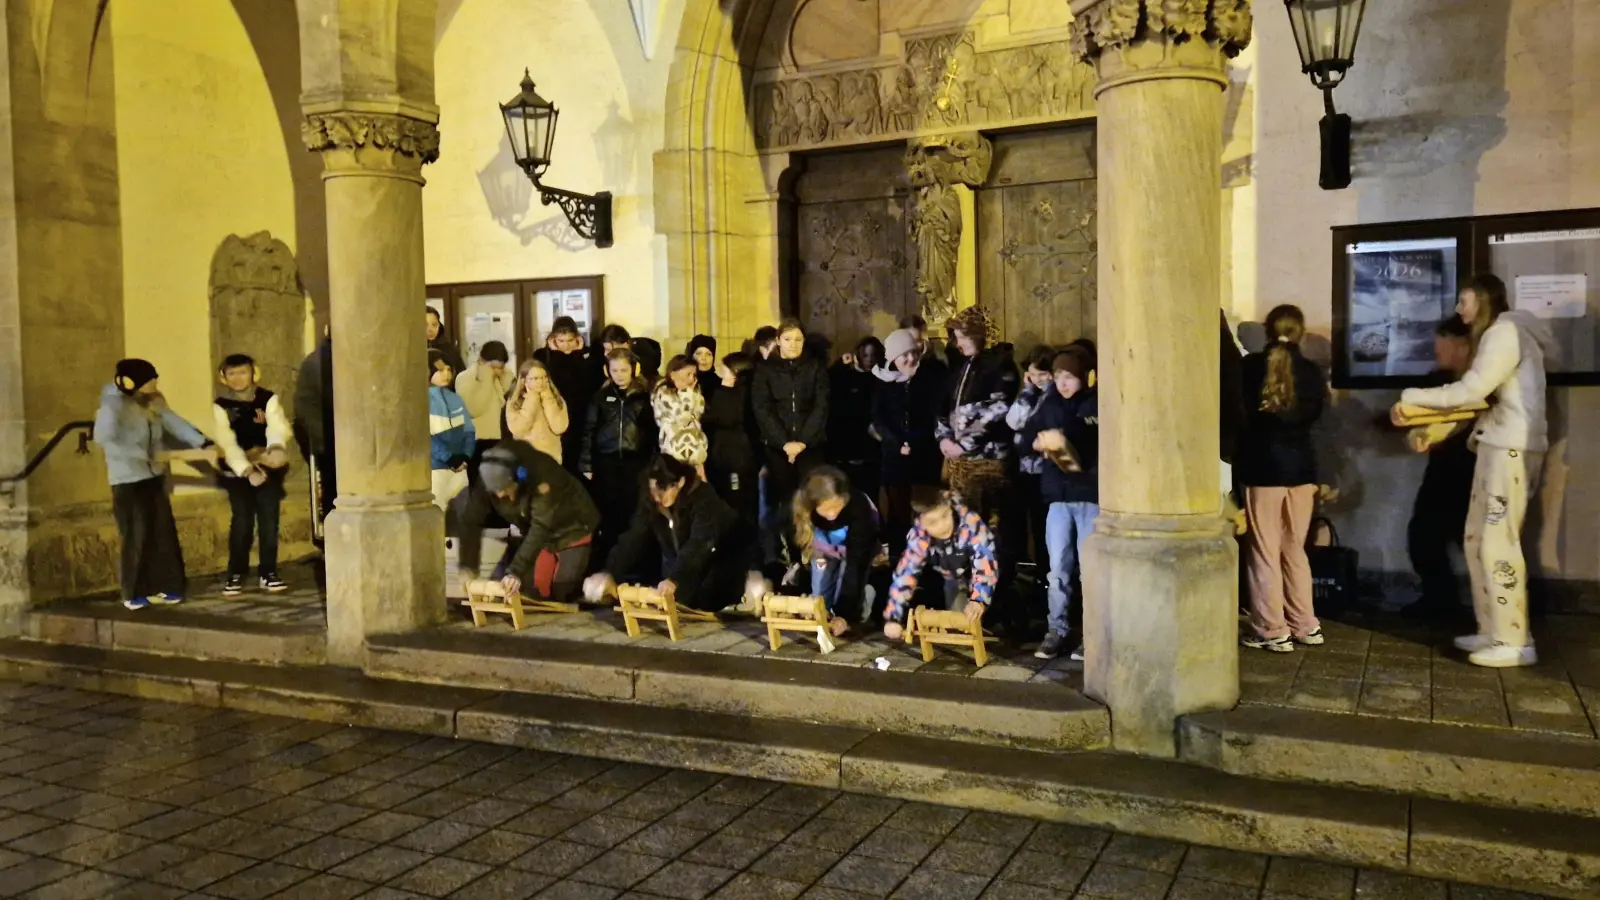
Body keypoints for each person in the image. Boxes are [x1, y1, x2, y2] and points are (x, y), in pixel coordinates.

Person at [1392, 274, 1554, 668]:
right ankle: (1491, 629)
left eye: (1463, 300)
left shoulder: (1504, 334)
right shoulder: (1500, 334)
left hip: (1509, 448)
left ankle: (1514, 639)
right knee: (1475, 539)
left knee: (1497, 542)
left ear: (1482, 300)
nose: (1458, 309)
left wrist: (1413, 399)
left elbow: (1472, 390)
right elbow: (1479, 400)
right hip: (1496, 444)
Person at [1238, 304, 1327, 653]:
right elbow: (1318, 420)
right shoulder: (1311, 371)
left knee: (1264, 551)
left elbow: (1242, 419)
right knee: (1295, 550)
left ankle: (1272, 628)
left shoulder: (1249, 369)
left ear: (1266, 330)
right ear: (1300, 331)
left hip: (1263, 471)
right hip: (1302, 471)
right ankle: (1306, 624)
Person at [95, 359, 212, 610]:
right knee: (136, 536)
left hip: (153, 477)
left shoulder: (154, 399)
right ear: (131, 383)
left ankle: (169, 586)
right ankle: (133, 592)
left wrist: (202, 442)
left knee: (162, 533)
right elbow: (104, 438)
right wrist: (143, 455)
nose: (155, 383)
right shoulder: (112, 405)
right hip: (127, 479)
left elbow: (172, 421)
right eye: (151, 380)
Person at [586, 454, 757, 612]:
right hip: (685, 561)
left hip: (723, 556)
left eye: (664, 489)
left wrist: (675, 579)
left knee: (702, 598)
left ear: (680, 483)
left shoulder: (702, 498)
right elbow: (633, 538)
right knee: (672, 596)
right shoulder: (651, 501)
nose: (658, 497)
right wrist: (609, 571)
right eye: (654, 490)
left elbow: (699, 543)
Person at [456, 442, 600, 603]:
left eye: (505, 489)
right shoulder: (487, 478)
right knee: (524, 592)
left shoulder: (543, 474)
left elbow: (541, 526)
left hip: (572, 528)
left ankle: (594, 573)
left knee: (562, 592)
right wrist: (467, 567)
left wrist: (515, 572)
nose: (501, 496)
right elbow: (471, 521)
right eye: (495, 493)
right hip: (537, 536)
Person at [1026, 348, 1100, 661]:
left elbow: (1092, 440)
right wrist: (1039, 443)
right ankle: (1057, 629)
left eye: (1068, 377)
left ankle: (1093, 634)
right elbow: (1027, 432)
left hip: (1089, 496)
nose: (1063, 383)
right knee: (1058, 569)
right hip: (1057, 497)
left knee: (1090, 570)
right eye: (1057, 377)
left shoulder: (1095, 402)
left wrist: (1065, 438)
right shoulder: (1049, 402)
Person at [1402, 317, 1478, 622]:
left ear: (1462, 345)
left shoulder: (1479, 382)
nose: (1435, 347)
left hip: (1473, 471)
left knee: (1470, 540)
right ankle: (1439, 598)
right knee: (1424, 535)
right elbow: (1416, 420)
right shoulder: (1439, 380)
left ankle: (1490, 606)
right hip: (1443, 471)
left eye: (1441, 341)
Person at [212, 354, 292, 597]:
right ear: (223, 377)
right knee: (242, 522)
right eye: (232, 373)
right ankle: (236, 573)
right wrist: (246, 470)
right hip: (237, 471)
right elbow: (226, 442)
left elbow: (277, 428)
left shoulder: (267, 399)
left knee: (269, 522)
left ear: (253, 373)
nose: (238, 378)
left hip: (266, 468)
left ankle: (268, 572)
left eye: (243, 372)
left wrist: (276, 450)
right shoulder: (220, 406)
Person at [752, 320, 830, 562]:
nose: (792, 344)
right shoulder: (766, 370)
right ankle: (795, 557)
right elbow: (762, 408)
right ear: (778, 341)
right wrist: (784, 443)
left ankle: (816, 552)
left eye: (797, 339)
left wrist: (803, 441)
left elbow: (821, 405)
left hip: (811, 446)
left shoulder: (815, 367)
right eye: (787, 339)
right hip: (779, 449)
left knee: (812, 499)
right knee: (787, 503)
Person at [881, 489, 997, 641]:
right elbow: (905, 575)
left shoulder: (970, 522)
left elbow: (985, 562)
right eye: (932, 523)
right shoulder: (919, 535)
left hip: (985, 573)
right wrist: (893, 618)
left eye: (944, 516)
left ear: (949, 508)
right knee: (956, 626)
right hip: (949, 577)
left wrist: (978, 600)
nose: (942, 525)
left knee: (982, 617)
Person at [936, 305, 1020, 515]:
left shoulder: (1000, 365)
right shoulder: (964, 365)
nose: (958, 344)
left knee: (992, 522)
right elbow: (946, 405)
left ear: (978, 335)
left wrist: (964, 444)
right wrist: (943, 437)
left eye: (962, 338)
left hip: (988, 460)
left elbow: (998, 409)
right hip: (959, 461)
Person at [581, 348, 658, 563]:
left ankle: (635, 559)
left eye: (624, 369)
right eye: (615, 370)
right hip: (607, 461)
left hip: (636, 461)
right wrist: (586, 463)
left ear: (634, 369)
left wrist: (652, 462)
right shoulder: (601, 397)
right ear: (608, 371)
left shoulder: (644, 397)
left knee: (633, 510)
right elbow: (589, 429)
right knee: (609, 511)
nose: (620, 374)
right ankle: (609, 559)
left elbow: (652, 432)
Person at [873, 328, 944, 557]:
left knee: (926, 511)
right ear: (893, 358)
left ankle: (928, 563)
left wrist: (913, 441)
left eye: (914, 353)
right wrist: (898, 443)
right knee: (898, 514)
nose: (910, 359)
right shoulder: (883, 383)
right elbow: (879, 419)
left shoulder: (929, 380)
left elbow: (935, 415)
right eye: (904, 355)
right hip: (895, 458)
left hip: (924, 455)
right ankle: (899, 561)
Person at [790, 466, 880, 634]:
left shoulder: (859, 507)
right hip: (824, 549)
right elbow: (802, 543)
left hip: (853, 551)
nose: (832, 514)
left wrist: (844, 615)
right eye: (826, 510)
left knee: (846, 588)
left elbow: (856, 563)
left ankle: (861, 607)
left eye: (836, 507)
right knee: (820, 593)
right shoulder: (804, 509)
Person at [1006, 346, 1058, 569]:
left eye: (1042, 374)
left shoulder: (1053, 396)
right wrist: (1027, 390)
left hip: (1045, 471)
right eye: (1033, 373)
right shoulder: (1030, 393)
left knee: (1042, 524)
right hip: (1024, 469)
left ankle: (1045, 569)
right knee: (1021, 520)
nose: (1037, 379)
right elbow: (1013, 421)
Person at [703, 352, 762, 535]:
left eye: (726, 369)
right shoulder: (728, 392)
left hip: (735, 458)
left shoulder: (737, 395)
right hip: (725, 456)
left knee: (737, 502)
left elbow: (723, 417)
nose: (722, 373)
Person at [535, 317, 600, 474]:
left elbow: (586, 382)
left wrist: (577, 355)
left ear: (577, 338)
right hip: (552, 416)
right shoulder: (542, 356)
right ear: (552, 339)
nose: (566, 345)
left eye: (570, 340)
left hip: (580, 416)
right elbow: (552, 380)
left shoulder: (587, 355)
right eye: (561, 341)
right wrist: (557, 356)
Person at [827, 336, 884, 507]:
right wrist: (840, 364)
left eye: (873, 355)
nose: (869, 360)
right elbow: (829, 384)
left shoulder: (882, 379)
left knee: (871, 497)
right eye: (865, 355)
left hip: (873, 449)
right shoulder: (847, 377)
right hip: (848, 448)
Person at [294, 334, 335, 545]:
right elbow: (307, 407)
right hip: (333, 444)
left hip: (356, 445)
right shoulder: (317, 362)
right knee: (335, 499)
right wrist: (326, 440)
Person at [428, 350, 475, 513]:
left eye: (449, 370)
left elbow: (469, 431)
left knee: (461, 512)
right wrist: (448, 457)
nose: (446, 374)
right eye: (440, 370)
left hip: (460, 467)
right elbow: (425, 438)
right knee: (437, 509)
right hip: (435, 468)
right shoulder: (421, 400)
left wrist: (466, 456)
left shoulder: (456, 398)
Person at [455, 340, 513, 465]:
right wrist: (487, 378)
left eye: (501, 367)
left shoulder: (503, 375)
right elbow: (472, 409)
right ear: (481, 361)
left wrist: (504, 377)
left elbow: (509, 398)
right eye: (493, 367)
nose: (498, 371)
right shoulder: (466, 378)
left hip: (501, 437)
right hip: (478, 439)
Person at [652, 355, 709, 476]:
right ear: (673, 374)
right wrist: (687, 393)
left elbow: (698, 412)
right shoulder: (663, 393)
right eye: (688, 374)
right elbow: (682, 418)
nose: (692, 379)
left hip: (694, 450)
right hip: (674, 450)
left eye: (694, 374)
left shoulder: (695, 391)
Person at [505, 359, 570, 463]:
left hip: (552, 460)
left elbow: (559, 427)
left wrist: (547, 398)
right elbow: (519, 429)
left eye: (543, 378)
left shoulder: (557, 399)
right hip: (527, 460)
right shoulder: (515, 401)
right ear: (524, 380)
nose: (540, 382)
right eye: (535, 378)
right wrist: (532, 398)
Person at [424, 306, 467, 386]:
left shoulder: (449, 349)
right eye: (425, 325)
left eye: (434, 325)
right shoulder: (411, 351)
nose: (430, 329)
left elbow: (462, 377)